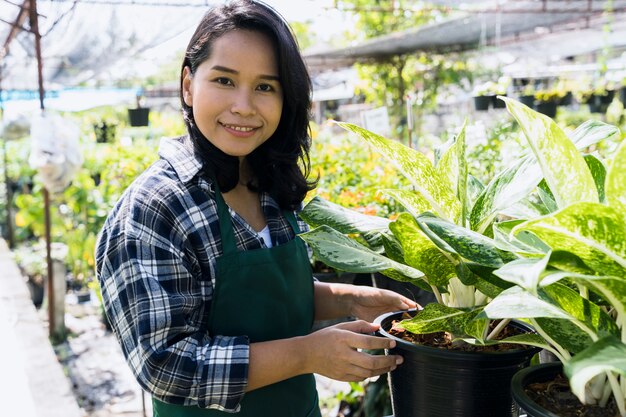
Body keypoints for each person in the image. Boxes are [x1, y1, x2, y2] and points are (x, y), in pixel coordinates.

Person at [95, 1, 417, 415]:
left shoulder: (269, 185)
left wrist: (347, 299)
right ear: (189, 85)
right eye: (225, 80)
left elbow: (268, 301)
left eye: (266, 86)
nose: (244, 106)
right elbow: (165, 365)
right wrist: (307, 355)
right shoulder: (155, 209)